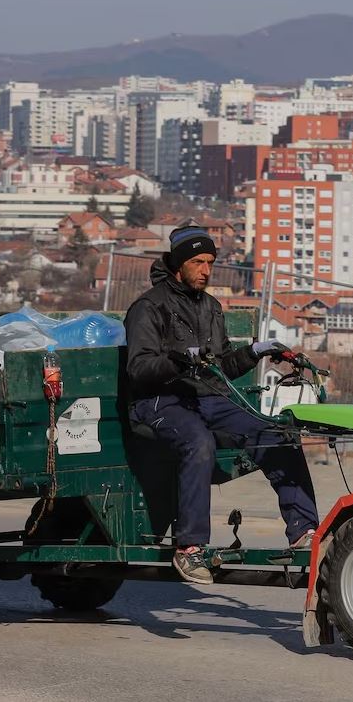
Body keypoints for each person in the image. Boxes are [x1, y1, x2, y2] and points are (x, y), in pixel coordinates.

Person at [124, 221, 319, 584]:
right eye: (198, 262)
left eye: (210, 262)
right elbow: (138, 368)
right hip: (159, 400)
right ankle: (190, 548)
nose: (206, 270)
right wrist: (180, 359)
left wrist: (255, 352)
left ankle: (304, 532)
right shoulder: (149, 308)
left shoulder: (210, 307)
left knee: (277, 433)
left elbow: (222, 365)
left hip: (206, 397)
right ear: (178, 264)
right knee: (199, 442)